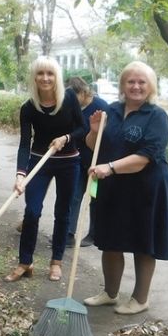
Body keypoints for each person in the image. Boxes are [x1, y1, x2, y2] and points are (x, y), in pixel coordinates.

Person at [81, 61, 168, 315]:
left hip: (146, 188)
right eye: (130, 81)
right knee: (110, 240)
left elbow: (144, 158)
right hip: (114, 187)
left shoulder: (157, 117)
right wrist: (94, 131)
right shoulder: (111, 110)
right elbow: (93, 145)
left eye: (141, 82)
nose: (135, 86)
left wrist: (108, 168)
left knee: (143, 242)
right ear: (122, 85)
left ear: (150, 86)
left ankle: (140, 298)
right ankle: (110, 293)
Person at [4, 56, 86, 283]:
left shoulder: (69, 99)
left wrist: (66, 137)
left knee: (63, 212)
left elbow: (82, 128)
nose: (45, 78)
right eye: (40, 73)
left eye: (50, 73)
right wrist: (21, 174)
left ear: (56, 77)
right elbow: (24, 144)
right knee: (32, 211)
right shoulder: (28, 108)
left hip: (69, 162)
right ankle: (25, 262)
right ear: (34, 77)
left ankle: (56, 262)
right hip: (39, 162)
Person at [65, 76, 110, 248]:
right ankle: (68, 234)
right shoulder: (71, 107)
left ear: (83, 93)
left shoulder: (101, 107)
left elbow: (107, 136)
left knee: (94, 197)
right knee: (73, 196)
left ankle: (93, 234)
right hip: (77, 160)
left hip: (97, 163)